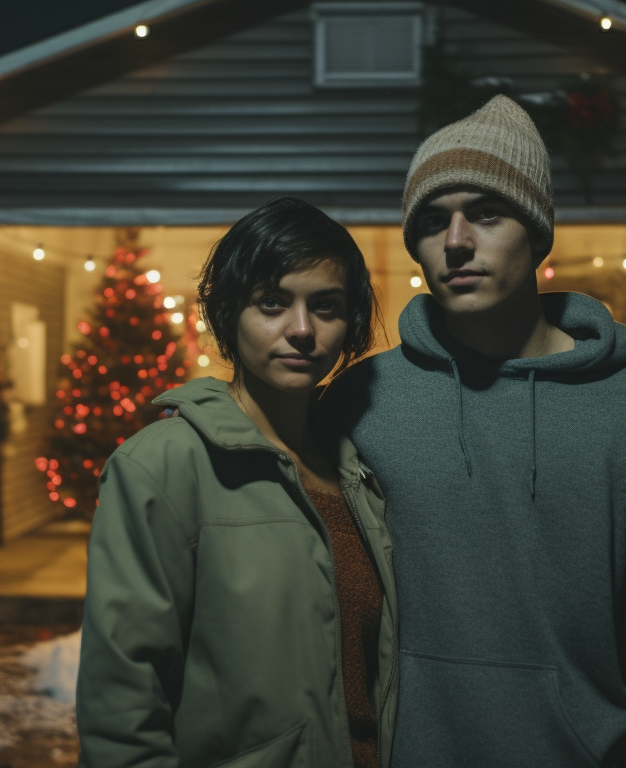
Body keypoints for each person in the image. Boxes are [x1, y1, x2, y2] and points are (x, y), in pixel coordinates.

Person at [323, 95, 626, 767]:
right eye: (433, 220)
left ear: (538, 231)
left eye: (487, 213)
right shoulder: (362, 402)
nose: (456, 241)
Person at [75, 196, 398, 768]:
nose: (302, 329)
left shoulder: (360, 463)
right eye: (272, 303)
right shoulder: (166, 464)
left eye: (325, 306)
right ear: (229, 313)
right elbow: (122, 705)